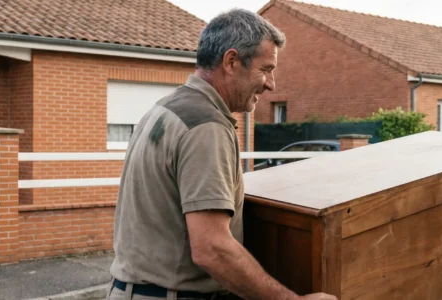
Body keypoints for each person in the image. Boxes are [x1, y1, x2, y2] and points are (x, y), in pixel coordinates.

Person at [107, 9, 336, 300]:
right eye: (265, 69)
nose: (271, 84)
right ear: (231, 62)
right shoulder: (206, 126)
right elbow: (212, 249)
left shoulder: (164, 109)